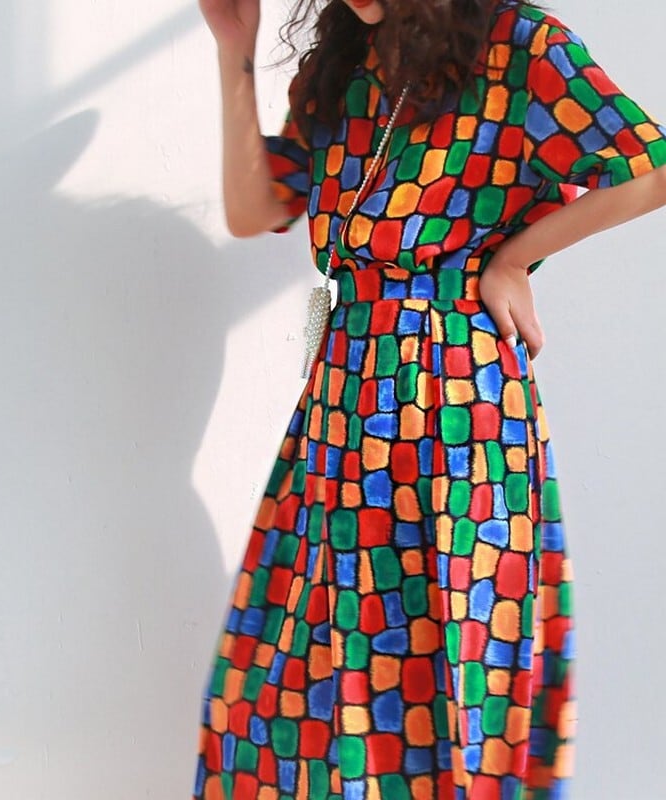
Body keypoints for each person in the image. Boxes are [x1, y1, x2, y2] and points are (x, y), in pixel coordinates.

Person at [192, 0, 666, 797]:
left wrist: (512, 260)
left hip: (455, 399)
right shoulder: (345, 68)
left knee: (448, 643)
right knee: (305, 661)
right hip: (344, 396)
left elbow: (648, 168)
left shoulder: (520, 45)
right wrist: (233, 54)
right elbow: (255, 209)